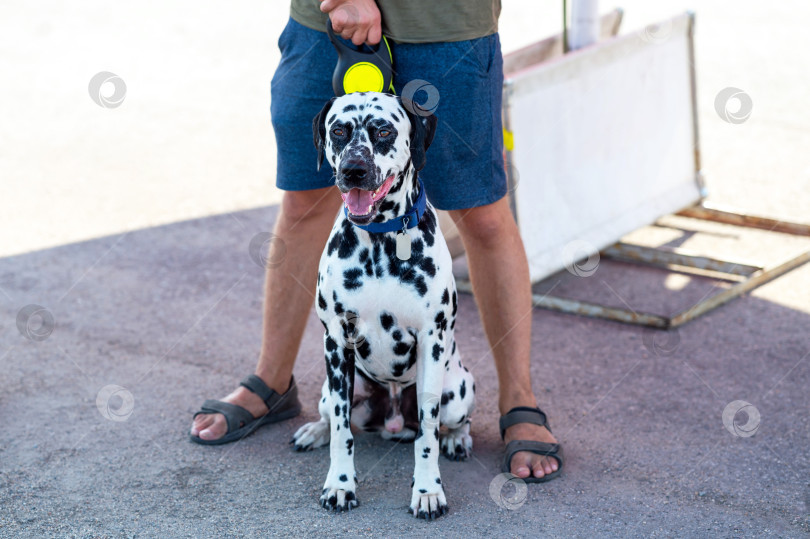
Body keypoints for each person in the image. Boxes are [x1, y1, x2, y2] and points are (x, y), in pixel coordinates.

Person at [190, 0, 562, 482]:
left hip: (445, 24)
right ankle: (272, 381)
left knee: (482, 215)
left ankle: (519, 402)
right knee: (304, 202)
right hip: (325, 19)